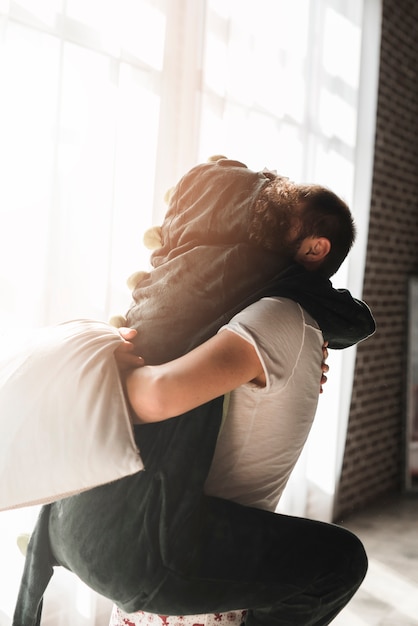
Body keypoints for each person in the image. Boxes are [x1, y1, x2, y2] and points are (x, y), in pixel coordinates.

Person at [12, 159, 375, 626]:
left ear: (314, 249)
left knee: (339, 560)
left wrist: (95, 368)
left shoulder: (276, 314)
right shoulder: (267, 315)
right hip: (158, 540)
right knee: (340, 562)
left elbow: (158, 396)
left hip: (129, 534)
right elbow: (162, 396)